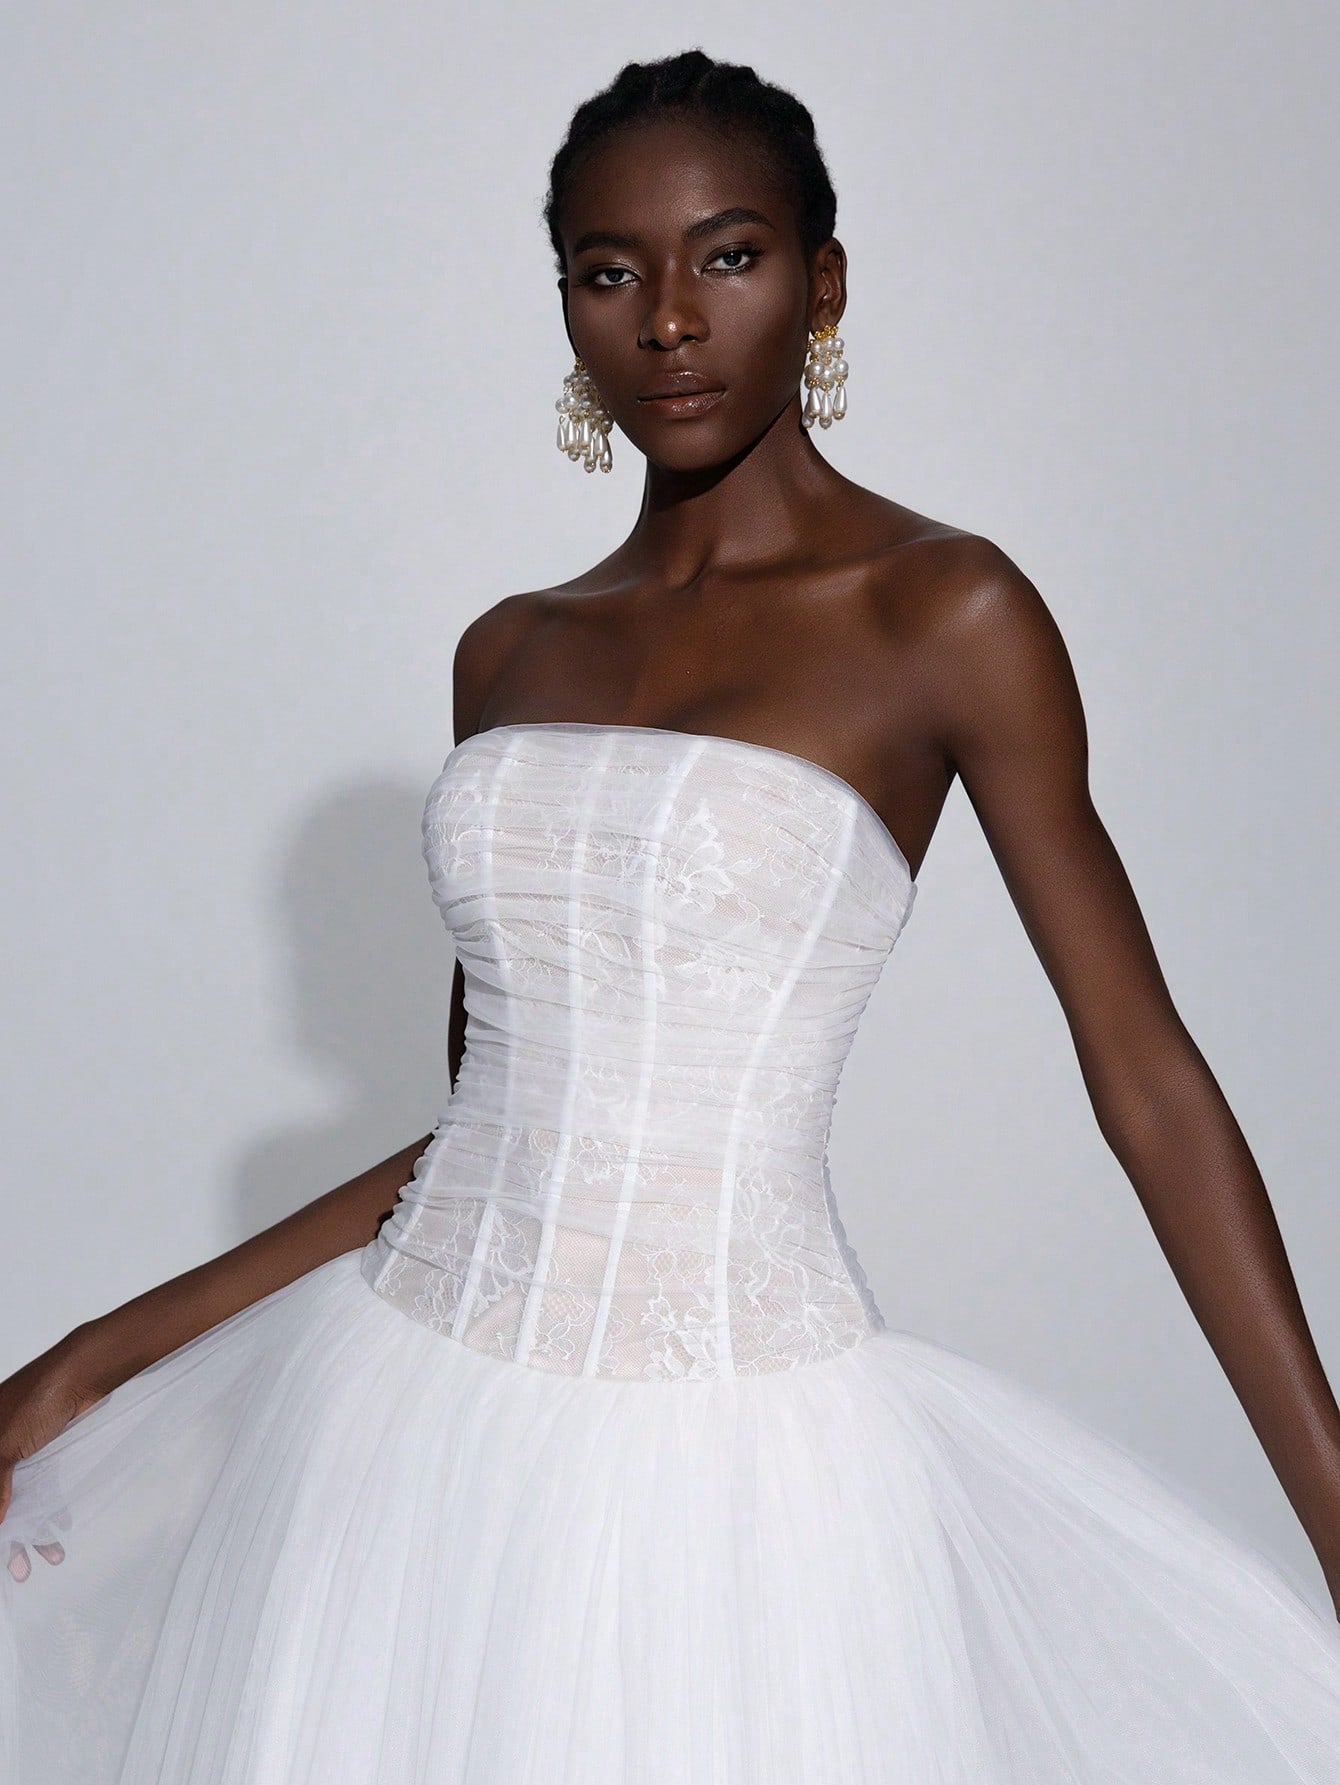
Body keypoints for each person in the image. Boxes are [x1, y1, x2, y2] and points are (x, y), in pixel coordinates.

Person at [3, 46, 1340, 1785]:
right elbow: (484, 1130)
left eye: (730, 256)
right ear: (565, 303)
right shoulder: (512, 649)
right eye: (609, 271)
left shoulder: (944, 613)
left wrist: (1333, 1508)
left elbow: (1147, 1086)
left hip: (731, 1466)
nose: (671, 322)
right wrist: (92, 1364)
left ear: (824, 283)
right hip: (404, 1428)